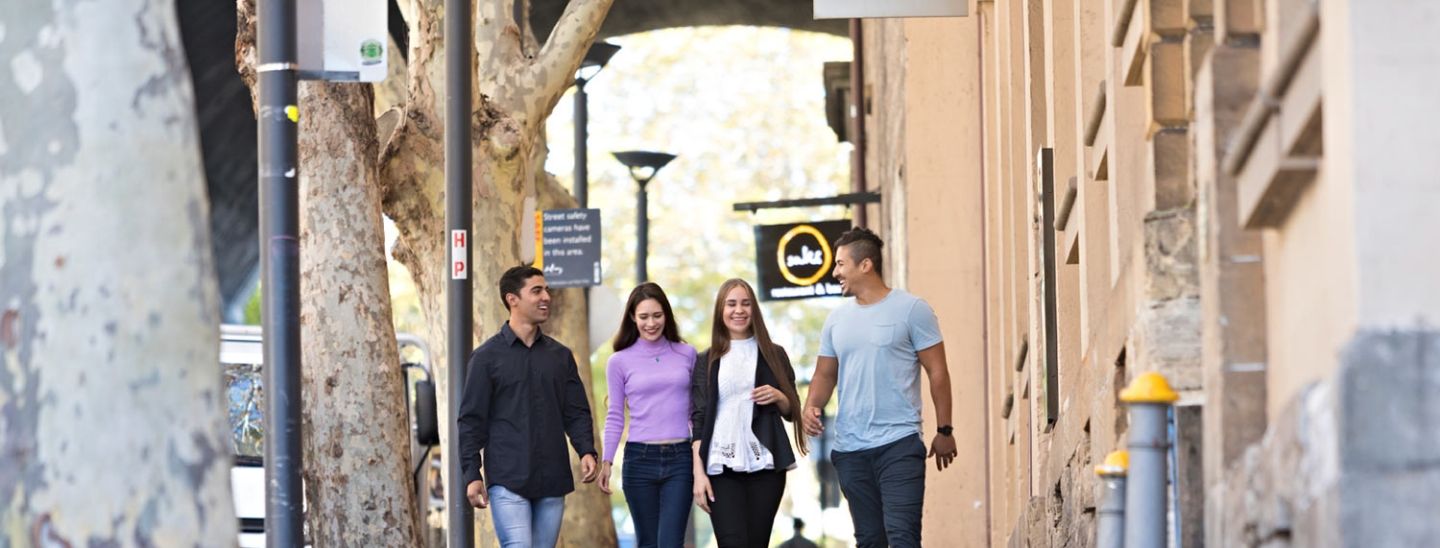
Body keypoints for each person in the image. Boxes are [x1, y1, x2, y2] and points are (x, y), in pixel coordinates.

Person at [800, 227, 955, 548]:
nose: (835, 272)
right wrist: (811, 405)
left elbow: (937, 371)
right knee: (870, 540)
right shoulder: (836, 320)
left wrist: (944, 429)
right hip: (851, 450)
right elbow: (825, 374)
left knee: (902, 536)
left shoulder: (912, 310)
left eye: (841, 264)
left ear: (865, 265)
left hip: (899, 444)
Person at [458, 265, 599, 548]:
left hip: (552, 477)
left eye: (547, 290)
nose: (546, 296)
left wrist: (586, 449)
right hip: (508, 478)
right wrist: (472, 474)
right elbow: (471, 421)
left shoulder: (561, 356)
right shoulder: (486, 358)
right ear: (513, 299)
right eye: (537, 290)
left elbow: (576, 411)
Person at [690, 278, 806, 548]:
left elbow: (793, 410)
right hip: (721, 465)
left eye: (746, 303)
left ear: (754, 309)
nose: (738, 310)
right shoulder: (705, 360)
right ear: (721, 310)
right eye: (731, 304)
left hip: (765, 465)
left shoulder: (774, 354)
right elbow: (698, 420)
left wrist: (779, 397)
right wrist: (698, 473)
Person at [598, 282, 698, 548]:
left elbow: (695, 412)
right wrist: (607, 460)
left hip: (680, 460)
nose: (651, 323)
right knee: (648, 543)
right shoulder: (618, 361)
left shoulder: (687, 354)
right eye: (643, 317)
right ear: (633, 317)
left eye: (657, 315)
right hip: (639, 460)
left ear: (666, 315)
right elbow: (616, 415)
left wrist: (700, 460)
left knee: (670, 542)